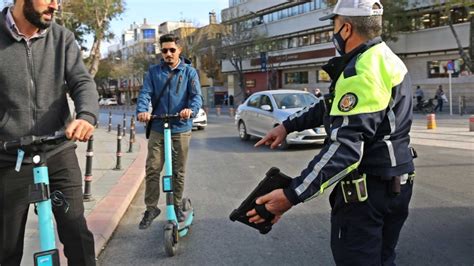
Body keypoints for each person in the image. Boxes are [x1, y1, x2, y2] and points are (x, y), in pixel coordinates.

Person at [248, 1, 415, 265]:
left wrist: (292, 195)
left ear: (346, 28)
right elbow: (331, 105)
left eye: (333, 25)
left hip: (369, 194)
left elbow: (346, 149)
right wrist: (288, 126)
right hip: (396, 183)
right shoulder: (384, 57)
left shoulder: (362, 72)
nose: (332, 32)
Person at [0, 0, 98, 265]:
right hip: (10, 157)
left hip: (57, 151)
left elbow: (81, 81)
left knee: (77, 234)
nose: (55, 4)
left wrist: (86, 115)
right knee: (5, 248)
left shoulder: (62, 38)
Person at [136, 34, 202, 229]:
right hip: (158, 127)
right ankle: (151, 208)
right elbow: (145, 94)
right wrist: (142, 111)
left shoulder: (189, 72)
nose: (168, 54)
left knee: (178, 171)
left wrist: (191, 110)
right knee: (153, 168)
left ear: (179, 50)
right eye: (164, 50)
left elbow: (196, 97)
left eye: (172, 50)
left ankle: (177, 204)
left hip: (180, 127)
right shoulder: (154, 72)